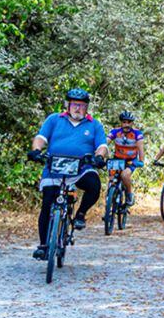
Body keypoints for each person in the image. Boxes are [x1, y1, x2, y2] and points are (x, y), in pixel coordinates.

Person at [27, 88, 108, 260]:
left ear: (87, 107)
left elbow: (102, 145)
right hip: (55, 167)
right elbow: (41, 137)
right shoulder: (54, 119)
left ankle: (80, 214)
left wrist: (99, 157)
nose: (78, 108)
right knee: (47, 202)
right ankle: (43, 245)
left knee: (94, 184)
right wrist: (36, 150)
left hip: (80, 167)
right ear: (68, 105)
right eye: (74, 105)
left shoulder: (94, 124)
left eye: (82, 105)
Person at [107, 111, 145, 206]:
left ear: (132, 123)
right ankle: (109, 203)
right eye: (124, 122)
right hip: (117, 159)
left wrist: (141, 161)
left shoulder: (137, 133)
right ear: (121, 123)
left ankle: (129, 195)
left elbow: (141, 148)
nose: (126, 125)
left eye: (129, 122)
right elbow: (105, 143)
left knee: (124, 175)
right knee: (111, 179)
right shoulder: (115, 131)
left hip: (131, 161)